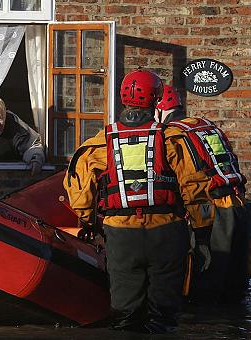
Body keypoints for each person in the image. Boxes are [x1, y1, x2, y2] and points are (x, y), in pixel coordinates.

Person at [64, 70, 214, 334]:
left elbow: (79, 185)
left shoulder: (101, 142)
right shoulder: (173, 139)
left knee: (125, 312)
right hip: (166, 232)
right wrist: (202, 236)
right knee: (164, 312)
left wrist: (89, 222)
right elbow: (195, 187)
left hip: (121, 235)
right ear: (157, 99)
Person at [156, 84, 249, 304]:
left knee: (206, 284)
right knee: (234, 287)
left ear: (157, 109)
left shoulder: (171, 135)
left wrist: (196, 226)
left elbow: (190, 181)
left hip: (212, 215)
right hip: (238, 206)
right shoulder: (205, 125)